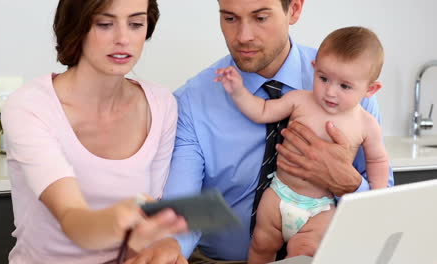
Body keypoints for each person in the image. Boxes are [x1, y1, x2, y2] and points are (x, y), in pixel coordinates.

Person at [162, 0, 394, 263]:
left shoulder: (352, 83)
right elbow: (181, 207)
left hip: (325, 253)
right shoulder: (191, 101)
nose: (243, 36)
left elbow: (381, 197)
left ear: (294, 9)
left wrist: (349, 183)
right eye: (230, 19)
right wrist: (167, 249)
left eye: (260, 18)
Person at [1, 0, 189, 263]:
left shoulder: (160, 104)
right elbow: (73, 219)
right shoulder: (31, 106)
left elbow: (144, 228)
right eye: (104, 24)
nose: (123, 38)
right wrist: (114, 221)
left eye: (135, 24)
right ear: (77, 27)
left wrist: (160, 247)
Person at [215, 26, 389, 263]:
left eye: (345, 86)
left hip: (319, 208)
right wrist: (238, 91)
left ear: (371, 89)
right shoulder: (299, 101)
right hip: (278, 195)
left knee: (304, 252)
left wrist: (377, 197)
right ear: (314, 68)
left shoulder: (366, 124)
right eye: (324, 78)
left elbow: (377, 160)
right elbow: (262, 111)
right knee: (261, 245)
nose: (330, 92)